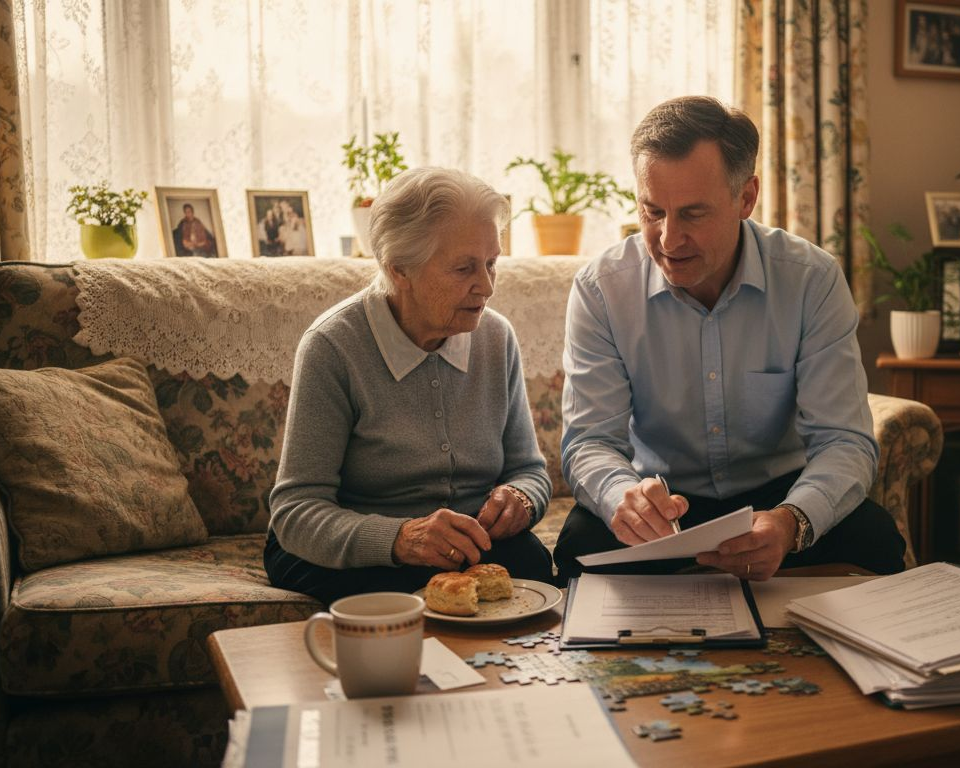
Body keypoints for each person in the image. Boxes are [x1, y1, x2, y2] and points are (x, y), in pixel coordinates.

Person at [554, 96, 906, 584]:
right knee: (579, 545)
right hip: (663, 502)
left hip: (780, 496)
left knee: (878, 541)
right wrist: (623, 498)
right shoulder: (602, 288)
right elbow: (590, 440)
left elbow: (844, 439)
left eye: (693, 214)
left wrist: (792, 523)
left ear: (746, 197)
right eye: (652, 211)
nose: (668, 239)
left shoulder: (811, 279)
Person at [265, 167, 554, 605]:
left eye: (492, 263)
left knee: (534, 567)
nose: (487, 286)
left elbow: (529, 470)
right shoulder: (333, 347)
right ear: (399, 270)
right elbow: (296, 512)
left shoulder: (496, 337)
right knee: (403, 592)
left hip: (469, 546)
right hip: (365, 551)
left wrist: (521, 498)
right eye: (464, 268)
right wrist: (401, 539)